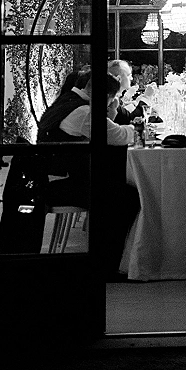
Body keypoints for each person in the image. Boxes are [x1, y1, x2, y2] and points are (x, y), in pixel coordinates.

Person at [38, 73, 140, 276]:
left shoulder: (67, 101)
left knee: (120, 191)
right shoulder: (83, 112)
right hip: (63, 185)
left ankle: (112, 259)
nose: (112, 102)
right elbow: (118, 135)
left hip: (57, 179)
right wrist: (135, 128)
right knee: (127, 197)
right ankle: (107, 265)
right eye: (112, 97)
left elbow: (106, 129)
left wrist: (110, 113)